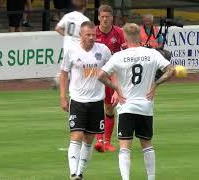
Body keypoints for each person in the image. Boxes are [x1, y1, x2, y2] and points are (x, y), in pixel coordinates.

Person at [98, 23, 174, 180]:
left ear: (124, 37)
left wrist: (116, 89)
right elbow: (171, 70)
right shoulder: (152, 54)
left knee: (125, 147)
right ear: (139, 36)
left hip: (126, 106)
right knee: (147, 145)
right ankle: (151, 178)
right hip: (145, 105)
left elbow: (100, 75)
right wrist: (155, 84)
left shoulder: (118, 56)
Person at [59, 21, 111, 180]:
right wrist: (62, 96)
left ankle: (80, 173)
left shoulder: (103, 50)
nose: (91, 37)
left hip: (96, 101)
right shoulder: (71, 51)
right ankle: (73, 173)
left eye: (93, 35)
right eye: (88, 35)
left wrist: (115, 90)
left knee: (88, 140)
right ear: (81, 35)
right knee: (76, 136)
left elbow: (113, 69)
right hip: (77, 100)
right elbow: (64, 73)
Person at [94, 4, 125, 152]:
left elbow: (124, 54)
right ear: (99, 17)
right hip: (94, 76)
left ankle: (107, 141)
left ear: (112, 17)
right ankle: (99, 140)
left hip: (111, 76)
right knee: (95, 107)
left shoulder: (119, 33)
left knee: (109, 107)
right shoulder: (92, 33)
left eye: (108, 17)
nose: (105, 19)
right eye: (102, 17)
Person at [53, 0, 90, 88]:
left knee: (66, 68)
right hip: (78, 47)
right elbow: (87, 35)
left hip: (67, 46)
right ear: (85, 7)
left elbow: (57, 28)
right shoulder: (85, 20)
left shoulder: (67, 16)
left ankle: (59, 79)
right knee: (79, 68)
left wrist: (67, 36)